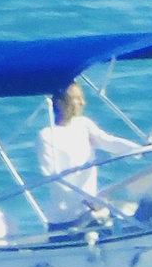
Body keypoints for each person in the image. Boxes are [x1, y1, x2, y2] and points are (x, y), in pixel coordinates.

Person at [35, 81, 143, 226]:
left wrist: (139, 150)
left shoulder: (84, 125)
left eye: (82, 98)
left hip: (90, 210)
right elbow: (52, 175)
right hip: (64, 216)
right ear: (60, 103)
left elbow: (107, 142)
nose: (83, 102)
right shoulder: (46, 135)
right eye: (77, 98)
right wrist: (84, 199)